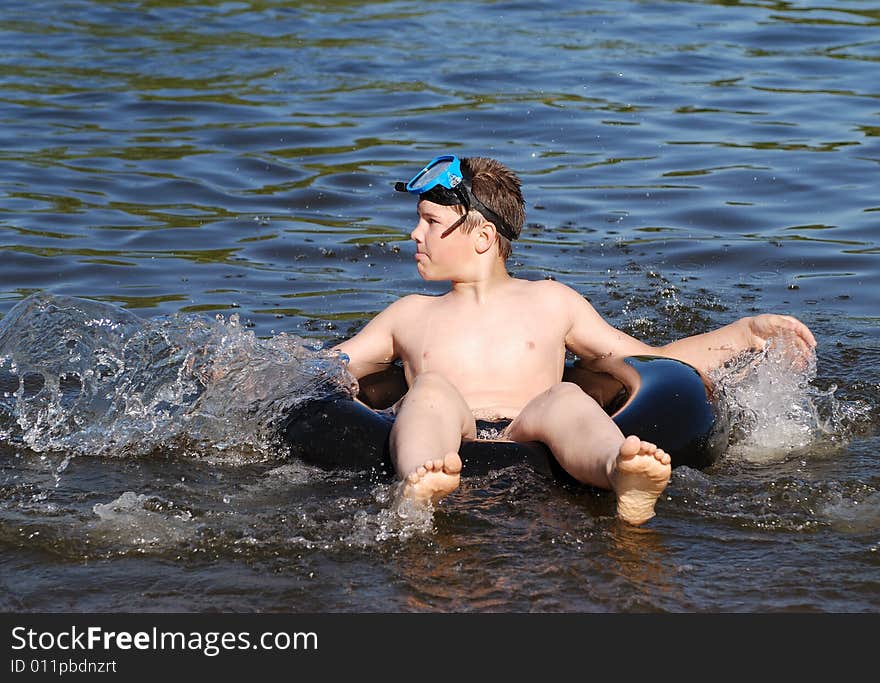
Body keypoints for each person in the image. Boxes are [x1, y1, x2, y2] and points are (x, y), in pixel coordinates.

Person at [332, 155, 816, 526]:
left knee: (565, 397)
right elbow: (327, 369)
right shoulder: (408, 315)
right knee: (430, 391)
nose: (414, 234)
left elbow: (649, 362)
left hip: (529, 427)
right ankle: (418, 487)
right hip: (453, 434)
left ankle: (620, 471)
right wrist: (260, 375)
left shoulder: (551, 301)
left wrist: (745, 334)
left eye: (431, 223)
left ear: (481, 237)